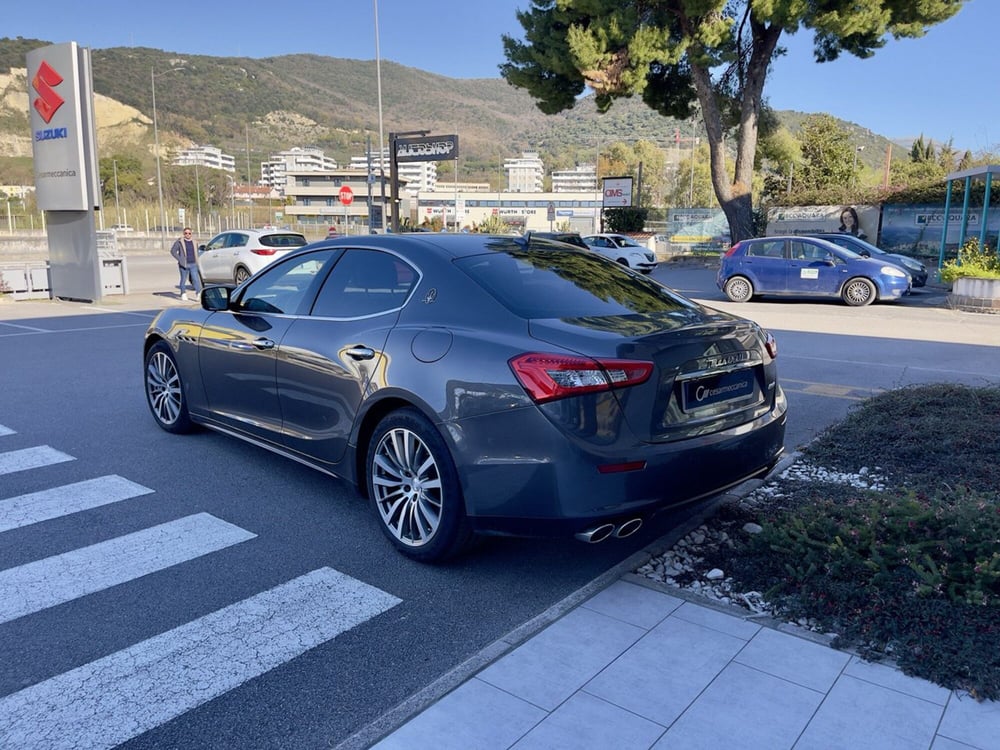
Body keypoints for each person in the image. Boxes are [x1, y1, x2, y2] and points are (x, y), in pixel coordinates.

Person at [169, 227, 202, 301]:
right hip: (184, 265)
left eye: (189, 233)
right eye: (186, 233)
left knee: (195, 279)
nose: (187, 234)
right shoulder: (180, 242)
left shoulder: (195, 242)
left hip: (193, 264)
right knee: (183, 279)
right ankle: (183, 293)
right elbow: (173, 251)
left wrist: (197, 261)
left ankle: (198, 293)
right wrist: (180, 259)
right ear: (183, 234)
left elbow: (196, 252)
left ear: (191, 234)